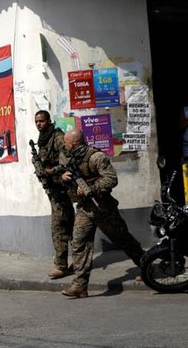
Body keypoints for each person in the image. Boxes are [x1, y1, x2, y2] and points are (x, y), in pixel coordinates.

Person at [59, 128, 145, 298]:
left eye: (66, 142)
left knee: (123, 239)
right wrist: (64, 177)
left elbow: (111, 179)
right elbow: (63, 173)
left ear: (73, 143)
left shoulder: (96, 157)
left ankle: (146, 266)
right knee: (79, 243)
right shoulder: (70, 158)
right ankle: (80, 285)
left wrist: (91, 189)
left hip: (103, 208)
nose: (64, 144)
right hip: (85, 209)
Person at [32, 110, 73, 279]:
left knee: (59, 227)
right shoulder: (43, 140)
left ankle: (61, 266)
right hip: (53, 190)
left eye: (41, 121)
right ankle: (79, 260)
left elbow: (68, 161)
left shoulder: (56, 138)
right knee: (70, 226)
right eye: (36, 121)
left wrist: (50, 171)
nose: (38, 124)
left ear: (49, 121)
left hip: (61, 189)